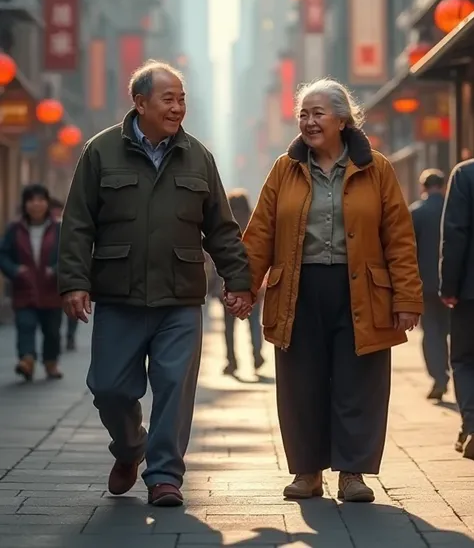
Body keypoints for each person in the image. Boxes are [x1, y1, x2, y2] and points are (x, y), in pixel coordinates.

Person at [58, 60, 251, 506]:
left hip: (180, 298)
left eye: (182, 98)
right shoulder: (100, 152)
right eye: (169, 98)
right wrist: (73, 281)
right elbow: (78, 224)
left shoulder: (198, 156)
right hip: (118, 296)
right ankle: (130, 447)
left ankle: (165, 476)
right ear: (140, 102)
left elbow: (221, 227)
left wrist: (237, 280)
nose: (178, 107)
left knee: (173, 388)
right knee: (108, 387)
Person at [241, 78, 423, 503]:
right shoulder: (285, 169)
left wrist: (408, 298)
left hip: (362, 289)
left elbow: (399, 236)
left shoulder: (375, 167)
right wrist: (243, 288)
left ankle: (352, 474)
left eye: (318, 113)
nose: (309, 122)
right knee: (300, 383)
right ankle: (307, 472)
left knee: (359, 382)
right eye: (303, 114)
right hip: (298, 291)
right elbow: (260, 232)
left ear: (343, 119)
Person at [0, 184, 62, 380]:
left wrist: (56, 270)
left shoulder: (59, 229)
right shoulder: (15, 229)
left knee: (52, 331)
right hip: (24, 288)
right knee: (25, 326)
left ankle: (51, 363)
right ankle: (27, 360)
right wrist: (15, 270)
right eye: (31, 200)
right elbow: (3, 254)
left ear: (47, 203)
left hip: (51, 290)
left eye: (41, 200)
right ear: (25, 204)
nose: (36, 204)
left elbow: (70, 255)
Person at [440, 158, 474, 460]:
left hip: (470, 291)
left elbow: (455, 234)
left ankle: (473, 425)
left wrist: (448, 287)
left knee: (464, 360)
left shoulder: (466, 174)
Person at [410, 169, 449, 400]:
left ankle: (439, 377)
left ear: (423, 187)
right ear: (443, 186)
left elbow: (407, 250)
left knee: (432, 332)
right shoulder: (453, 208)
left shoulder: (416, 212)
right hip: (456, 284)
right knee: (454, 332)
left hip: (426, 284)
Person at [221, 189, 264, 376]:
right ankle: (256, 355)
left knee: (230, 327)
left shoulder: (226, 228)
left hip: (230, 287)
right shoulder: (254, 226)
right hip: (254, 285)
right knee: (254, 323)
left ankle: (232, 361)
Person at [51, 197, 78, 352]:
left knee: (72, 309)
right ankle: (61, 338)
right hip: (50, 281)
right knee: (56, 313)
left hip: (66, 274)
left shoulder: (63, 227)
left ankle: (70, 336)